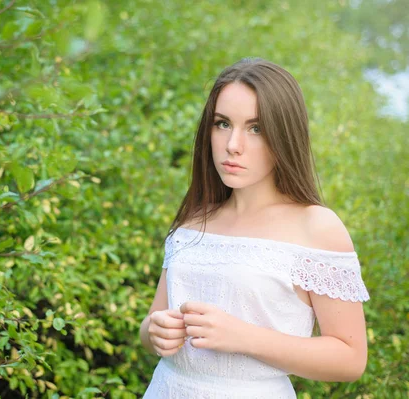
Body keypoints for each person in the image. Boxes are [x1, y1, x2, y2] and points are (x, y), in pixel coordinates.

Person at [139, 58, 370, 398]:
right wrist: (155, 331)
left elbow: (350, 359)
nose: (233, 144)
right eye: (222, 124)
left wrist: (243, 337)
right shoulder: (194, 219)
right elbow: (151, 324)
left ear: (284, 134)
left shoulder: (316, 226)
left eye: (255, 128)